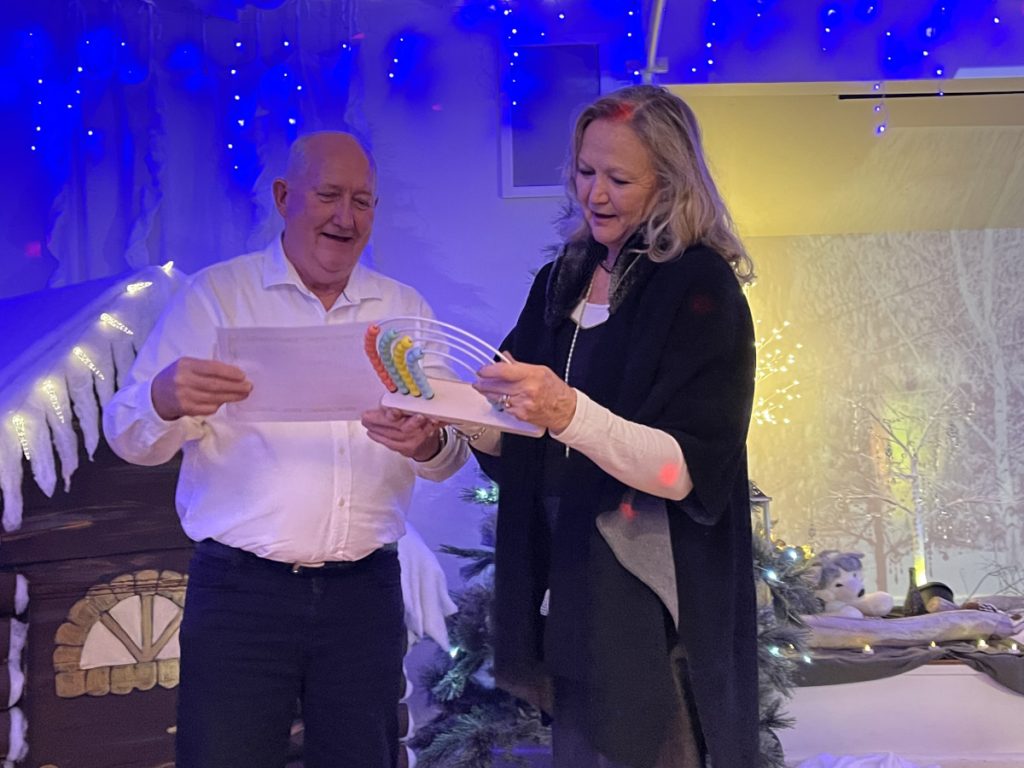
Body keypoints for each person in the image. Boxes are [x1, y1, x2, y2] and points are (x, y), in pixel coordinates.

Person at [103, 131, 469, 768]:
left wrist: (431, 442)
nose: (345, 217)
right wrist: (162, 396)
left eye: (362, 201)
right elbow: (130, 438)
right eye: (328, 195)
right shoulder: (216, 298)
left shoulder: (403, 310)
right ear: (283, 197)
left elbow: (449, 455)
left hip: (365, 595)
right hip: (242, 594)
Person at [471, 85, 758, 768]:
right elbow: (518, 433)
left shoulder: (700, 286)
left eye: (619, 179)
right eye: (584, 171)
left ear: (670, 182)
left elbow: (685, 470)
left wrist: (569, 413)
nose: (594, 194)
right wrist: (448, 426)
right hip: (571, 594)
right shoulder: (559, 283)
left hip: (653, 606)